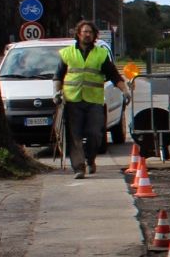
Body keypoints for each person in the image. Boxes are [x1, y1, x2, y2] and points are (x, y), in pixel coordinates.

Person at [53, 20, 133, 179]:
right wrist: (56, 93)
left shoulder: (101, 54)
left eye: (90, 32)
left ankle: (90, 159)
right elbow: (58, 76)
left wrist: (125, 90)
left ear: (94, 35)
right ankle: (79, 168)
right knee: (74, 136)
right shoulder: (67, 53)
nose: (87, 34)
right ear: (78, 33)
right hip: (72, 100)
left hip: (94, 101)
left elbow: (114, 75)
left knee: (95, 133)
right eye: (84, 32)